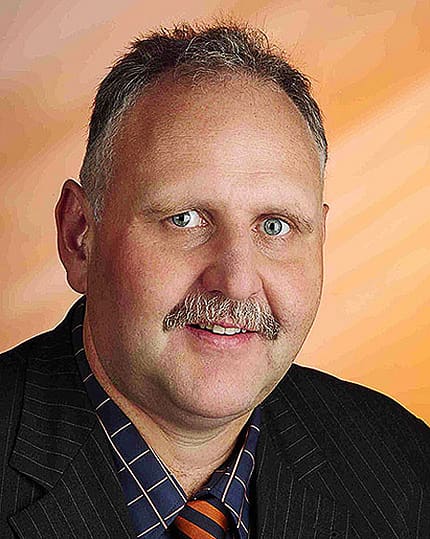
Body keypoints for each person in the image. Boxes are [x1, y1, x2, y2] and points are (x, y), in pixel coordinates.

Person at [0, 21, 429, 539]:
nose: (236, 281)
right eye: (184, 219)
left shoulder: (403, 471)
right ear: (79, 237)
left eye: (275, 226)